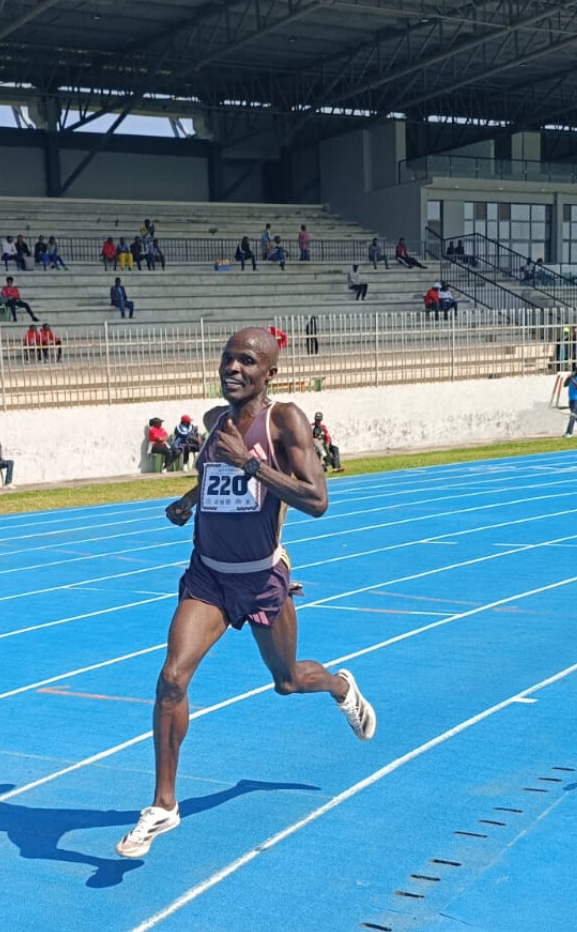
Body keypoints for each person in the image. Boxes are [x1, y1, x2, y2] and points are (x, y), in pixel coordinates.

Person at [114, 328, 375, 860]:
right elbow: (218, 474)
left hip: (260, 578)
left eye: (247, 361)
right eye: (228, 359)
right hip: (208, 576)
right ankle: (164, 804)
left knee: (287, 680)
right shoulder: (215, 420)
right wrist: (189, 500)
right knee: (171, 678)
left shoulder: (285, 421)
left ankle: (339, 685)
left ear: (269, 373)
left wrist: (252, 464)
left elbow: (317, 499)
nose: (233, 368)